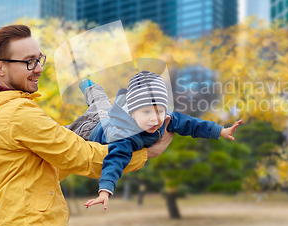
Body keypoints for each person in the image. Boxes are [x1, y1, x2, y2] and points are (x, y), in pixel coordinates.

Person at [0, 25, 174, 226]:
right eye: (29, 62)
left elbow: (48, 166)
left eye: (39, 59)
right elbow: (80, 156)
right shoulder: (16, 113)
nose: (39, 68)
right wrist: (146, 153)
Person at [68, 70, 242, 210]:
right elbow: (114, 160)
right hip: (91, 130)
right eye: (146, 112)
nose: (154, 119)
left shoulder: (164, 118)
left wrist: (220, 131)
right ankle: (87, 84)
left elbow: (191, 123)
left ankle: (89, 85)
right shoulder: (126, 135)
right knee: (87, 114)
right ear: (133, 112)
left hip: (110, 117)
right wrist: (105, 190)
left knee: (102, 102)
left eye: (158, 111)